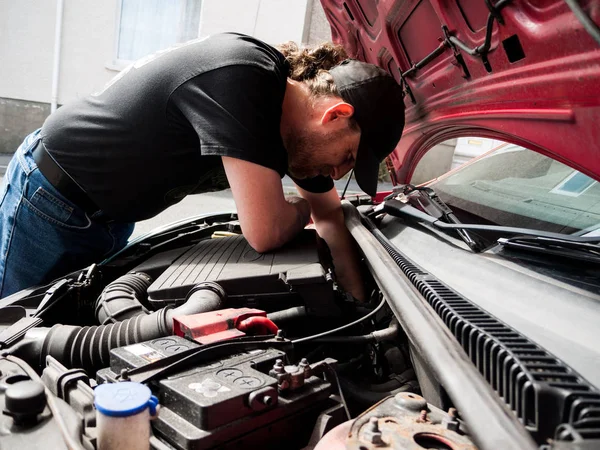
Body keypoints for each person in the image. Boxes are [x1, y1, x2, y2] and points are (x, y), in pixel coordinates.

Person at [0, 32, 405, 299]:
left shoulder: (292, 136)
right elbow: (265, 231)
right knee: (15, 332)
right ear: (335, 116)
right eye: (348, 157)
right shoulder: (248, 79)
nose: (337, 173)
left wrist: (359, 302)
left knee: (65, 318)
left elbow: (331, 219)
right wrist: (301, 210)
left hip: (107, 217)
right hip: (51, 199)